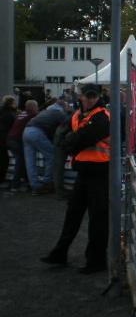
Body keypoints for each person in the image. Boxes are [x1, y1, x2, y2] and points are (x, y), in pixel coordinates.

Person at [40, 83, 111, 274]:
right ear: (80, 96)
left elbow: (76, 139)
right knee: (72, 215)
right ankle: (59, 253)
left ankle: (96, 262)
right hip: (85, 172)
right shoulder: (81, 115)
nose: (89, 99)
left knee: (97, 220)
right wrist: (73, 140)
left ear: (98, 97)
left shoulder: (102, 116)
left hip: (99, 173)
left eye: (92, 96)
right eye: (86, 95)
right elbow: (65, 137)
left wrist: (72, 140)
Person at [23, 98, 67, 195]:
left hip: (26, 131)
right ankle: (47, 182)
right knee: (52, 156)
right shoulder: (59, 113)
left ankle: (35, 186)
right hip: (36, 132)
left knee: (30, 161)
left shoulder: (45, 111)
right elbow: (66, 127)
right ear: (63, 107)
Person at [6, 100, 39, 192]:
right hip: (16, 141)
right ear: (32, 107)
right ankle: (15, 185)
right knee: (20, 162)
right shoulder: (32, 114)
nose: (37, 108)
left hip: (10, 139)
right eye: (36, 106)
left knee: (22, 161)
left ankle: (24, 181)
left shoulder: (23, 113)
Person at [0, 95, 17, 188]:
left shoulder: (2, 110)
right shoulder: (10, 113)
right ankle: (1, 179)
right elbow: (13, 125)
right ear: (11, 103)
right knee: (4, 159)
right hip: (4, 138)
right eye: (14, 102)